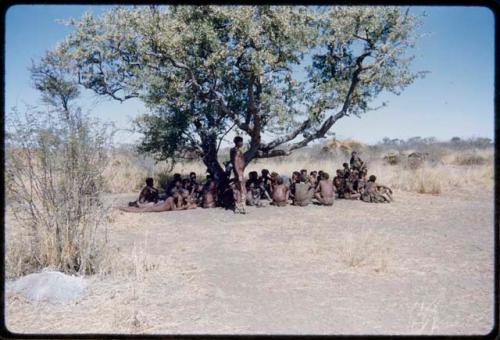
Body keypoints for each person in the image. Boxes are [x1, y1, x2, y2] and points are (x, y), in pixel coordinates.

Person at [230, 136, 246, 213]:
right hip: (239, 172)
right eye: (241, 142)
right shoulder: (237, 151)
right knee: (242, 190)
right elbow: (236, 163)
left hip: (237, 172)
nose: (242, 143)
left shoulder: (232, 150)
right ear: (238, 142)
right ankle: (243, 207)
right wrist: (239, 174)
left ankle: (237, 207)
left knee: (238, 190)